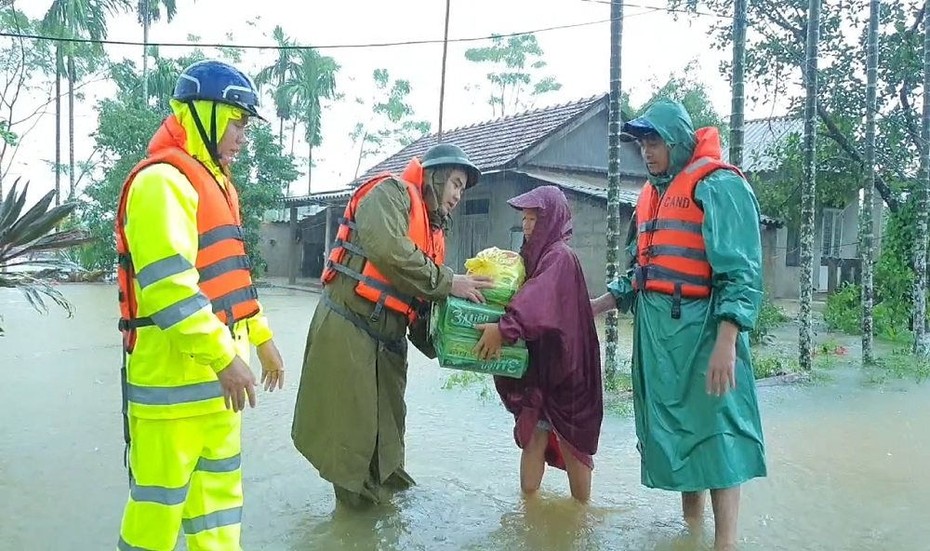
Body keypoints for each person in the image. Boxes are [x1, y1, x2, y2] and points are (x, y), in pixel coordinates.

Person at [113, 59, 285, 550]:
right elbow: (171, 291)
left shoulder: (219, 188)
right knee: (155, 521)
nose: (242, 134)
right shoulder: (160, 183)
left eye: (245, 123)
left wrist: (262, 337)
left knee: (218, 518)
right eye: (235, 120)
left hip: (220, 394)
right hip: (172, 398)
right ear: (202, 113)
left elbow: (228, 283)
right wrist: (224, 357)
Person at [590, 98, 767, 549]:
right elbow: (640, 270)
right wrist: (598, 304)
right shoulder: (651, 196)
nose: (647, 151)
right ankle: (691, 533)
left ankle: (724, 543)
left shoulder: (720, 186)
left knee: (718, 432)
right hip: (659, 337)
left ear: (678, 141)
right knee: (682, 435)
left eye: (655, 141)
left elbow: (741, 271)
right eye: (642, 142)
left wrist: (727, 339)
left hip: (705, 331)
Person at [291, 142, 495, 509]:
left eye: (462, 189)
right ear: (435, 176)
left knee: (387, 440)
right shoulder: (391, 194)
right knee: (350, 439)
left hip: (387, 341)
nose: (458, 196)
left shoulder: (434, 236)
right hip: (348, 329)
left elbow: (419, 307)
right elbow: (387, 250)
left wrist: (458, 345)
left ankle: (382, 510)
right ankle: (353, 525)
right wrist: (450, 282)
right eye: (456, 184)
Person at [473, 185, 603, 503]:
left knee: (572, 444)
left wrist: (504, 329)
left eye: (534, 219)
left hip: (568, 371)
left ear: (552, 220)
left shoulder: (559, 256)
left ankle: (581, 516)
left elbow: (536, 299)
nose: (528, 225)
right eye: (526, 219)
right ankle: (528, 508)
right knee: (534, 434)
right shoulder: (532, 257)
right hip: (541, 370)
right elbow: (515, 290)